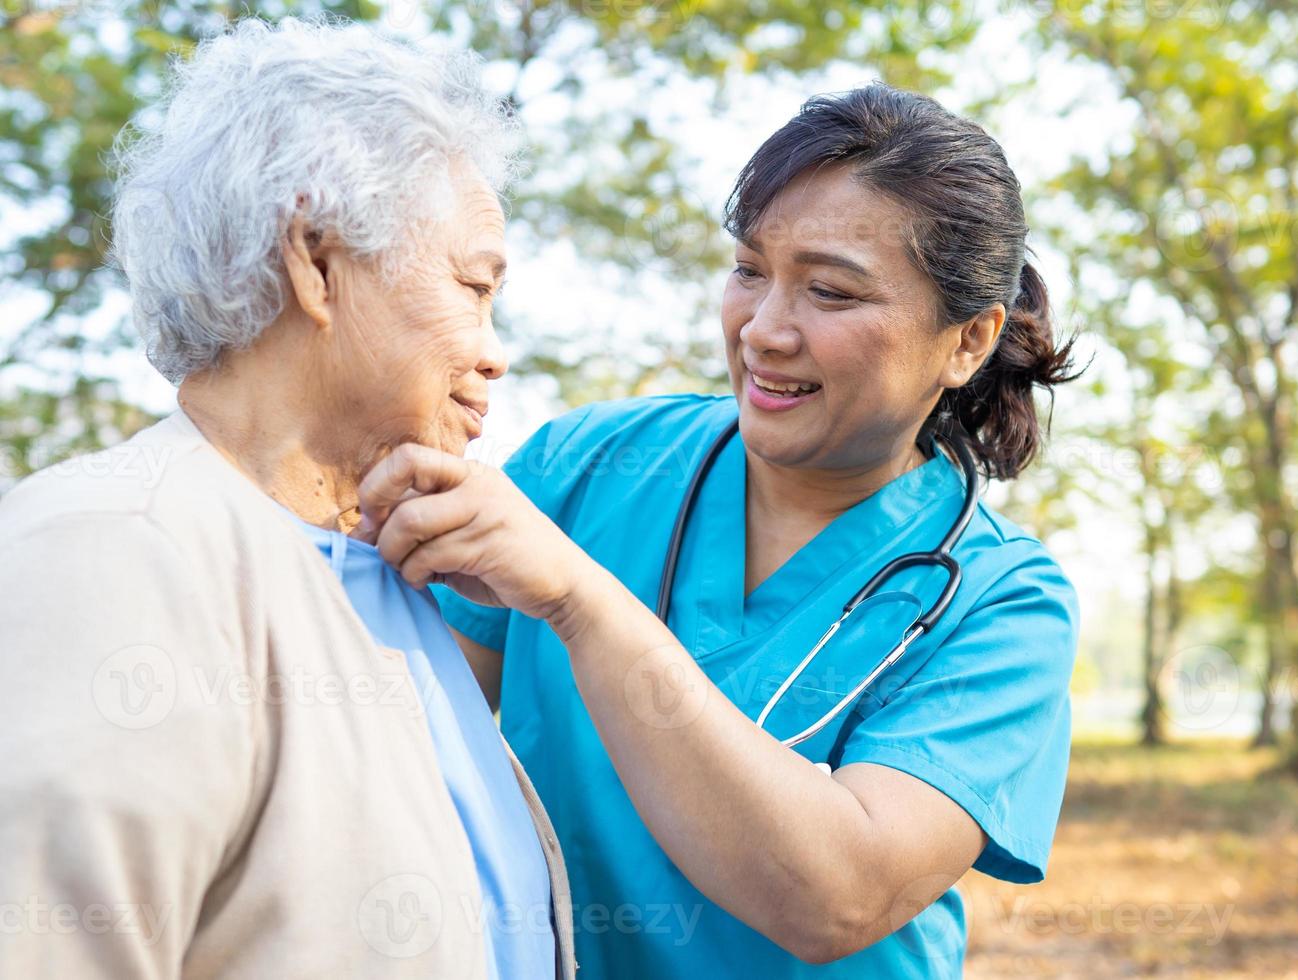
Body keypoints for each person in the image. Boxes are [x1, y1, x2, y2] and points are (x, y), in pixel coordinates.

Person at [359, 83, 1083, 977]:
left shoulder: (1003, 603)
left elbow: (837, 899)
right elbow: (396, 746)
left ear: (968, 340)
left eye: (829, 290)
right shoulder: (585, 464)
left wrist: (581, 602)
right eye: (748, 270)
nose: (764, 330)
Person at [0, 19, 572, 978]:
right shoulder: (112, 553)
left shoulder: (401, 582)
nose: (493, 351)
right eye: (474, 286)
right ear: (314, 258)